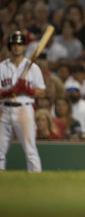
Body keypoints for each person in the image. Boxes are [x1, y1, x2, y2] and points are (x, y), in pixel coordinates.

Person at [0, 31, 46, 172]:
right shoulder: (1, 67)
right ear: (9, 46)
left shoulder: (32, 67)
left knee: (30, 149)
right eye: (14, 44)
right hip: (4, 110)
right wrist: (8, 92)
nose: (17, 47)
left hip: (24, 109)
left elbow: (42, 92)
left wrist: (28, 90)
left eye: (20, 44)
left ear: (24, 46)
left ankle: (36, 181)